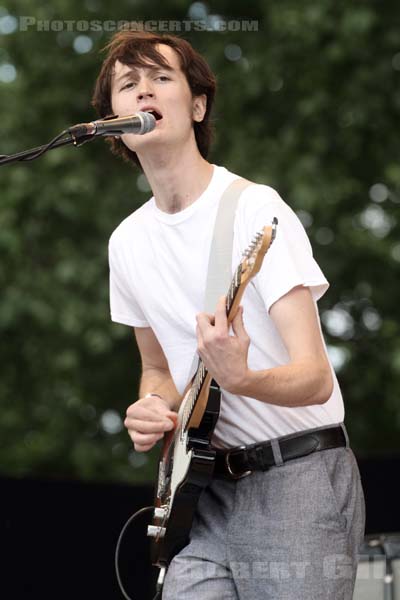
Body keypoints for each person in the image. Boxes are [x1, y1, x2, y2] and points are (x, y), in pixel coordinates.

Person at [92, 29, 365, 599]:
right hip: (201, 494)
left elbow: (316, 378)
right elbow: (159, 372)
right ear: (110, 117)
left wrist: (243, 379)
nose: (143, 93)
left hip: (297, 481)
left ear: (197, 105)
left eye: (160, 79)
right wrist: (150, 406)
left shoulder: (253, 209)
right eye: (128, 84)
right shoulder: (127, 243)